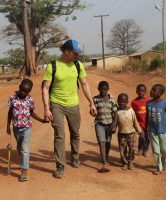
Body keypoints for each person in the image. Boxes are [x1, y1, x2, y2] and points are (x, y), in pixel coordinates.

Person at [41, 39, 97, 179]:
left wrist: (91, 103)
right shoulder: (52, 66)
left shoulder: (78, 65)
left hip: (73, 104)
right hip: (56, 104)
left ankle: (75, 156)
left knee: (75, 132)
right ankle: (60, 165)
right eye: (75, 53)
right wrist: (47, 108)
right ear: (66, 52)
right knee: (59, 135)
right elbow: (45, 88)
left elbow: (84, 84)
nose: (77, 55)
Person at [7, 79, 48, 182]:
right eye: (22, 90)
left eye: (26, 91)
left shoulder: (30, 100)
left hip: (26, 127)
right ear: (19, 87)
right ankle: (23, 162)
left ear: (30, 91)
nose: (23, 93)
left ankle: (24, 171)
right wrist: (7, 126)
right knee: (20, 148)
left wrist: (41, 120)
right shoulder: (12, 98)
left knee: (25, 149)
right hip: (16, 127)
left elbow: (31, 113)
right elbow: (10, 113)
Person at [145, 84, 166, 175]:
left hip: (163, 131)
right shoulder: (148, 103)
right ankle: (159, 167)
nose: (151, 91)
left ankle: (164, 162)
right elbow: (147, 117)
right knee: (156, 151)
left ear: (159, 93)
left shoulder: (165, 103)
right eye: (151, 89)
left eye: (154, 90)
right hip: (153, 131)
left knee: (164, 150)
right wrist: (146, 129)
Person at [92, 81, 117, 172]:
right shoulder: (95, 99)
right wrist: (92, 113)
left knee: (108, 142)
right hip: (99, 123)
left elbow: (115, 113)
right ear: (98, 89)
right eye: (101, 89)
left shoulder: (112, 99)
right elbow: (92, 111)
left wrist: (114, 125)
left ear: (108, 89)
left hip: (110, 124)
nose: (103, 91)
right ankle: (104, 163)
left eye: (105, 89)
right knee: (102, 142)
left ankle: (105, 157)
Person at [113, 93, 142, 170]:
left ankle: (130, 162)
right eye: (120, 101)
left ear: (127, 102)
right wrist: (114, 128)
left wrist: (139, 131)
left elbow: (135, 121)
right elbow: (115, 122)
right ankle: (125, 162)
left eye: (124, 101)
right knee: (123, 149)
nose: (122, 103)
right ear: (117, 101)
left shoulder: (131, 110)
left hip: (131, 133)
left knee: (132, 149)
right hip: (121, 134)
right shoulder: (117, 112)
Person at [131, 84, 151, 156]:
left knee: (147, 138)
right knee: (142, 136)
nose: (140, 92)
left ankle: (145, 150)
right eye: (139, 90)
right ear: (136, 91)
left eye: (142, 91)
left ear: (145, 92)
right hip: (139, 123)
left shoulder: (148, 101)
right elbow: (132, 112)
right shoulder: (134, 102)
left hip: (148, 123)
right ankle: (140, 148)